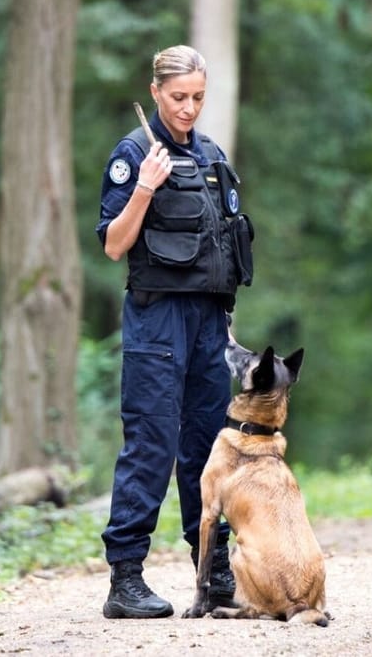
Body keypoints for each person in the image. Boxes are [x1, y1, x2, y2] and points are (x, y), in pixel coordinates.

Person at [95, 44, 253, 619]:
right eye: (179, 97)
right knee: (151, 445)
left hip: (209, 322)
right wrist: (144, 187)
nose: (189, 108)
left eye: (198, 98)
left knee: (209, 450)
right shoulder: (135, 152)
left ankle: (212, 572)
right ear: (157, 92)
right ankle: (126, 581)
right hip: (158, 320)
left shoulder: (211, 154)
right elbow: (114, 245)